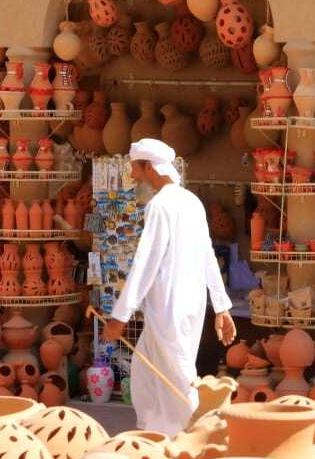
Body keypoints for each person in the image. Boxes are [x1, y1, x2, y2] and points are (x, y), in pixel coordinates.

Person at [101, 137, 235, 433]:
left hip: (168, 305)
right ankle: (153, 431)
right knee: (144, 372)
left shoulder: (160, 206)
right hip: (190, 302)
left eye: (135, 168)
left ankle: (197, 432)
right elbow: (208, 255)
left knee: (177, 376)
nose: (133, 175)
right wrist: (221, 306)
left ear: (148, 166)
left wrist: (120, 316)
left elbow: (146, 263)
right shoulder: (192, 202)